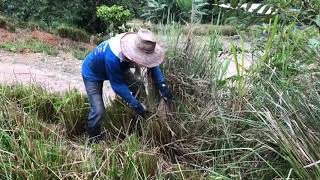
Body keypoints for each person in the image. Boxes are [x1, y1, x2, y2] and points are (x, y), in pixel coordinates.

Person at [82, 29, 173, 141]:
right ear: (133, 53)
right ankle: (93, 139)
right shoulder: (113, 56)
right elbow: (118, 86)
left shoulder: (141, 43)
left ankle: (139, 122)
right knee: (98, 110)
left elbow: (153, 65)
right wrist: (137, 105)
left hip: (121, 68)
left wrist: (162, 85)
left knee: (139, 88)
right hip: (92, 72)